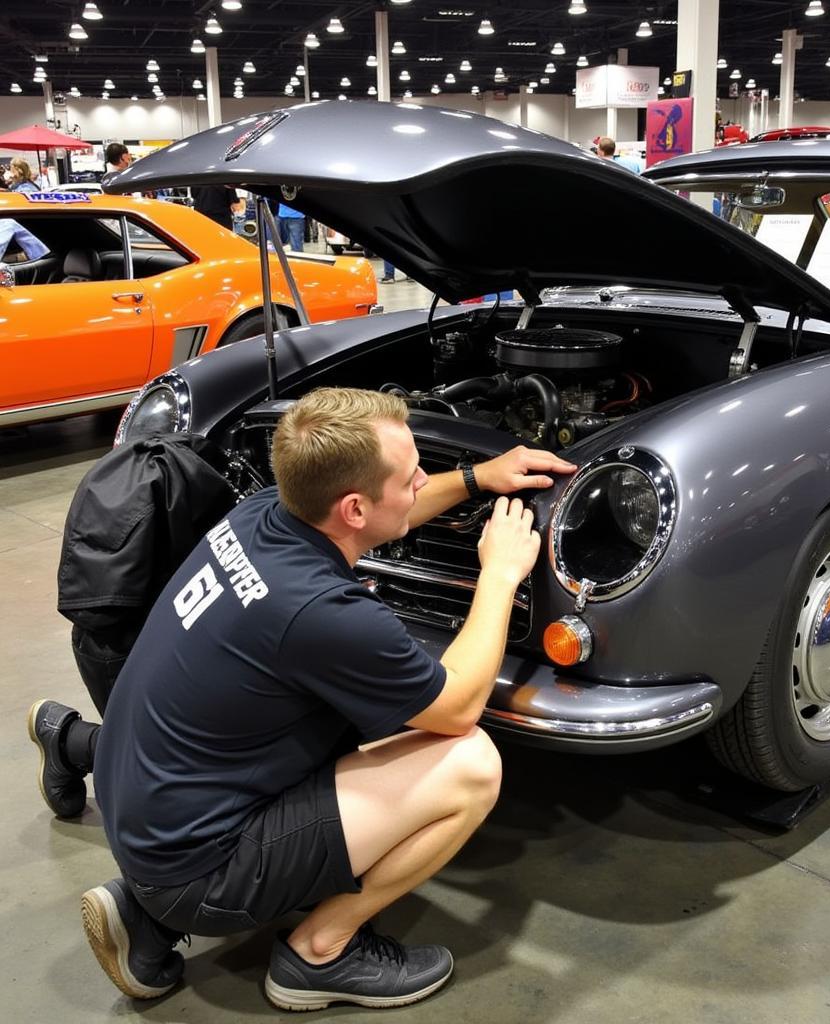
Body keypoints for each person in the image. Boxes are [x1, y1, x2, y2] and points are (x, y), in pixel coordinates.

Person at [32, 387, 574, 1009]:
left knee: (349, 720)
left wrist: (479, 477)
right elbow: (458, 705)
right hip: (195, 867)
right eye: (412, 474)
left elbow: (388, 508)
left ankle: (152, 908)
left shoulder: (263, 512)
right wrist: (500, 573)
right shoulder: (318, 612)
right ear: (351, 508)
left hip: (143, 805)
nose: (425, 478)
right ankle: (319, 953)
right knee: (471, 765)